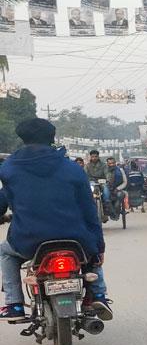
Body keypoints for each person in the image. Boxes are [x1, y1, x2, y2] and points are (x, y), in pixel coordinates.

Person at [0, 119, 112, 320]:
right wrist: (99, 246)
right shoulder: (73, 168)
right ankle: (99, 295)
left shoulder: (9, 169)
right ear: (52, 138)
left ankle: (14, 304)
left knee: (6, 253)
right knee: (91, 253)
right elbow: (89, 212)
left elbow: (5, 200)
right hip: (74, 238)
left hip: (28, 240)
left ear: (22, 138)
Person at [106, 157, 127, 221]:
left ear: (115, 163)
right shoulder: (104, 170)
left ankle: (116, 211)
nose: (112, 164)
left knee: (120, 195)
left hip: (117, 189)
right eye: (110, 163)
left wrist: (118, 188)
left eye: (113, 163)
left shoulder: (120, 170)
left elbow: (125, 182)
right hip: (106, 189)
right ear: (107, 164)